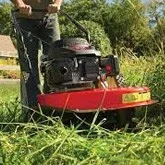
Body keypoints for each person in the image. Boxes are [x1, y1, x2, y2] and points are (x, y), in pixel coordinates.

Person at [11, 0, 63, 119]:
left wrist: (58, 4)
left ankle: (54, 106)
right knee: (28, 64)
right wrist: (19, 4)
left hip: (50, 16)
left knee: (56, 60)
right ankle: (33, 110)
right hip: (24, 17)